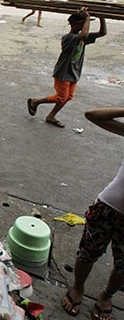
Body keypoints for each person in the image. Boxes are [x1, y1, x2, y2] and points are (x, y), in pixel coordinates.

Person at [61, 107, 124, 320]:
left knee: (123, 265)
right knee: (88, 252)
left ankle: (106, 295)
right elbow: (92, 115)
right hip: (108, 207)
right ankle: (78, 287)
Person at [27, 7, 107, 128]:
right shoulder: (68, 38)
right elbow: (84, 35)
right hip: (63, 72)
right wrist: (87, 18)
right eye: (81, 24)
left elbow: (103, 33)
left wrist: (102, 17)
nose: (83, 27)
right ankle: (36, 102)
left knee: (67, 97)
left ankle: (50, 115)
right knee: (61, 97)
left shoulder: (82, 38)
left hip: (74, 72)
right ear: (74, 24)